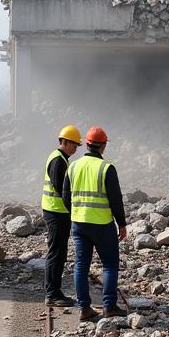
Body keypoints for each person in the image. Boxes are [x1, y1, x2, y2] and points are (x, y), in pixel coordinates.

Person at [62, 125, 127, 322]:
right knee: (109, 264)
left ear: (87, 145)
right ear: (103, 146)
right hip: (101, 224)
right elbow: (116, 199)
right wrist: (122, 224)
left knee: (81, 266)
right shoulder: (106, 168)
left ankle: (84, 308)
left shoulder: (72, 166)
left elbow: (65, 196)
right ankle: (109, 306)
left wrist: (76, 213)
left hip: (79, 223)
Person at [42, 125, 82, 307]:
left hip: (57, 212)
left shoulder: (61, 159)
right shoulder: (58, 161)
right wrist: (75, 212)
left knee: (58, 253)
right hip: (56, 213)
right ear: (63, 142)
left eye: (76, 145)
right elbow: (62, 191)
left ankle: (54, 292)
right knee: (56, 254)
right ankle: (52, 294)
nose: (75, 148)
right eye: (73, 144)